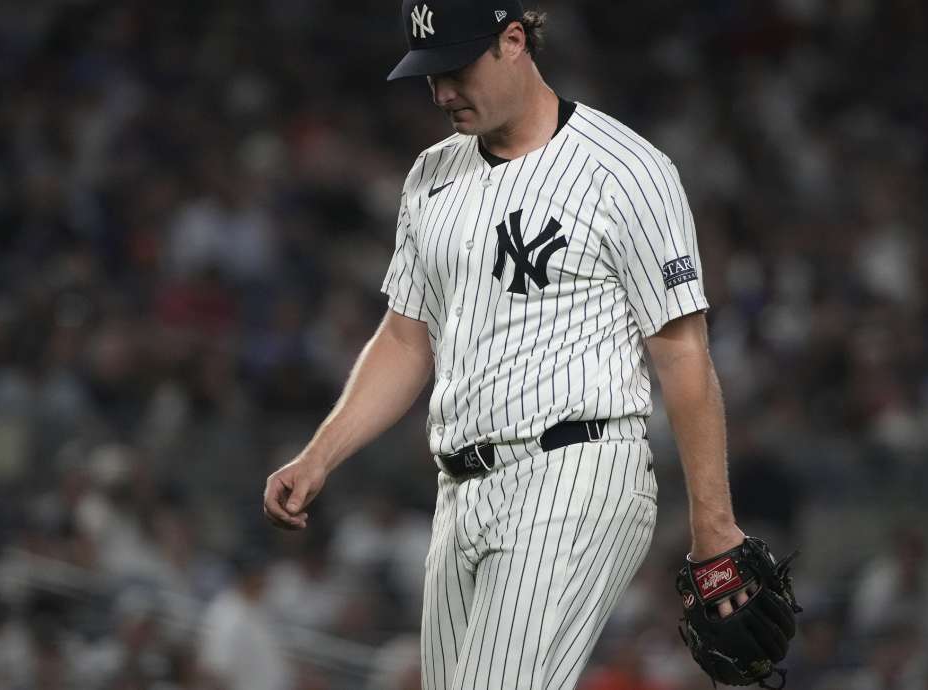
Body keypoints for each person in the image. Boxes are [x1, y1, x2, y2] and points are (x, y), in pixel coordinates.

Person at [264, 1, 756, 687]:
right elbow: (408, 339)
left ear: (514, 40)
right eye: (429, 76)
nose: (442, 93)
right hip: (460, 493)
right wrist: (321, 455)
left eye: (456, 69)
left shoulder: (626, 170)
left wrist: (715, 527)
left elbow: (682, 355)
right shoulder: (432, 175)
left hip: (576, 473)